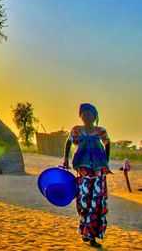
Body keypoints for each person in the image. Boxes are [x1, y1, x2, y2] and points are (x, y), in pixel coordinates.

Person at [62, 103, 110, 248]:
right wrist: (65, 159)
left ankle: (92, 236)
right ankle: (85, 231)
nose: (86, 117)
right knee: (83, 201)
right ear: (80, 116)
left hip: (98, 171)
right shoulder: (77, 130)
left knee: (96, 202)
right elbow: (68, 143)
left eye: (89, 114)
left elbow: (108, 143)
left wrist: (106, 160)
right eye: (84, 114)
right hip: (83, 170)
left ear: (94, 116)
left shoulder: (100, 131)